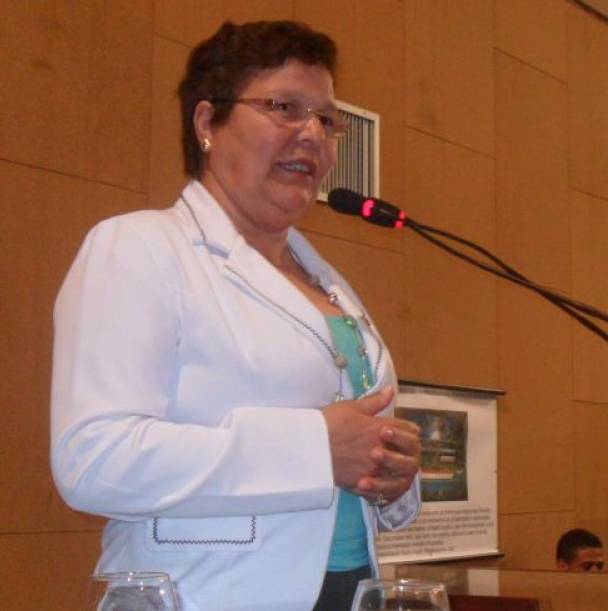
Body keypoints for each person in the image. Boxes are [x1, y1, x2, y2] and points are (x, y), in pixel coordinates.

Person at [51, 20, 421, 611]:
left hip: (350, 589)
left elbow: (353, 447)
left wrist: (391, 476)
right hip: (203, 594)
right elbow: (94, 459)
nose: (313, 134)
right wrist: (314, 448)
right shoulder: (141, 247)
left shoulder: (330, 284)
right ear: (207, 122)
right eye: (284, 107)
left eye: (327, 120)